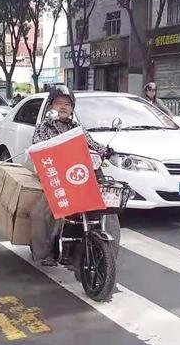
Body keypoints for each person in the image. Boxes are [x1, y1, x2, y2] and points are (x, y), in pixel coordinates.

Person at [30, 85, 120, 266]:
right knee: (43, 211)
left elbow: (93, 144)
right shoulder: (43, 128)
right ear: (50, 107)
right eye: (58, 103)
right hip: (56, 179)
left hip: (80, 177)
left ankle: (109, 252)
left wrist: (106, 151)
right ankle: (47, 251)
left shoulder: (77, 128)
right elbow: (38, 147)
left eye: (67, 104)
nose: (63, 107)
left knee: (108, 207)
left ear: (72, 108)